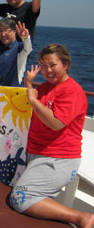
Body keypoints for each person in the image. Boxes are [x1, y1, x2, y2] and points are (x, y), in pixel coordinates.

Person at [9, 44, 94, 228]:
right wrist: (29, 85)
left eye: (52, 65)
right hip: (38, 154)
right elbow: (34, 111)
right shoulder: (46, 87)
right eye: (43, 65)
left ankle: (81, 217)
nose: (48, 70)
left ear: (65, 64)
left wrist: (32, 98)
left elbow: (56, 123)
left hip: (57, 159)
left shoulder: (71, 91)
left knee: (20, 198)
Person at [0, 18, 32, 87]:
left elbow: (28, 49)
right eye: (0, 31)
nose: (3, 34)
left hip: (15, 91)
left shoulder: (19, 48)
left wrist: (26, 38)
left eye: (6, 31)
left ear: (14, 31)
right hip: (0, 90)